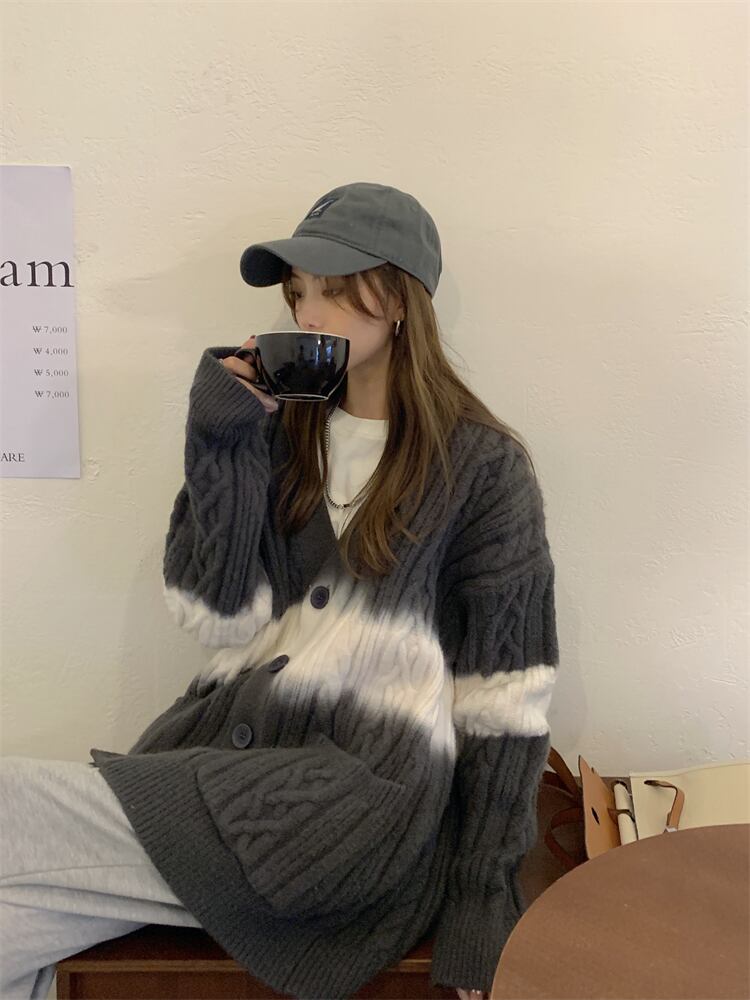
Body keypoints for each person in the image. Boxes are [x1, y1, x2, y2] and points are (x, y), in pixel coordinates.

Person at [0, 181, 560, 1000]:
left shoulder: (483, 469)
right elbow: (216, 614)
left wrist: (482, 903)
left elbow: (504, 703)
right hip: (228, 773)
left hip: (353, 810)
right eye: (298, 291)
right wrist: (222, 437)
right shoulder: (280, 434)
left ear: (399, 300)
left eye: (334, 288)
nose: (308, 312)